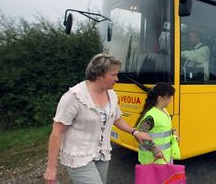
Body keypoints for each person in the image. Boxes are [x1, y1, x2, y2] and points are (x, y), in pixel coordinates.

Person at [44, 53, 152, 184]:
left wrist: (135, 132)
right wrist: (51, 168)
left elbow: (117, 119)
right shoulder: (74, 97)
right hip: (79, 158)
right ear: (99, 74)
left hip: (102, 155)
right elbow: (57, 132)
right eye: (113, 75)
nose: (117, 79)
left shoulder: (112, 95)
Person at [136, 82, 180, 164]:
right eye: (169, 97)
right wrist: (154, 150)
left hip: (163, 158)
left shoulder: (163, 111)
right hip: (153, 161)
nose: (171, 100)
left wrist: (173, 133)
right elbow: (139, 135)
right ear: (160, 98)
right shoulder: (151, 116)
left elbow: (161, 129)